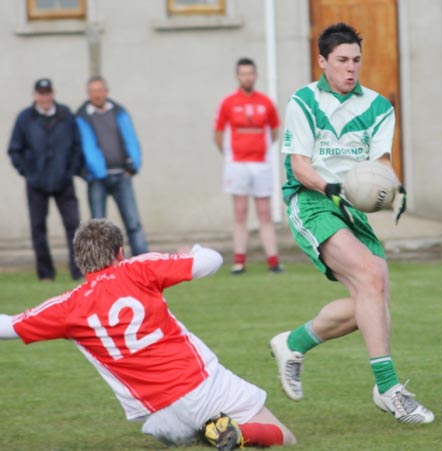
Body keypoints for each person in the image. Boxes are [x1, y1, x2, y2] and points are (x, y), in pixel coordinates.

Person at [0, 218, 296, 449]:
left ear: (79, 262)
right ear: (120, 252)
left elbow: (8, 326)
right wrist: (192, 252)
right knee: (284, 437)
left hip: (158, 412)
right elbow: (213, 260)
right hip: (202, 384)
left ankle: (198, 430)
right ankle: (237, 434)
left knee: (182, 427)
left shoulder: (68, 306)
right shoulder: (136, 269)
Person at [270, 22, 434, 424]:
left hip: (350, 209)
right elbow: (299, 166)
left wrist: (390, 188)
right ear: (323, 61)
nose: (350, 68)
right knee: (371, 280)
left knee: (374, 302)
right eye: (342, 60)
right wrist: (333, 188)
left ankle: (292, 343)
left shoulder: (379, 107)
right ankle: (389, 389)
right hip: (311, 200)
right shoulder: (303, 102)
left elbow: (378, 166)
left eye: (356, 61)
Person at [7, 78, 83, 281]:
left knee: (74, 227)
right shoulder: (25, 118)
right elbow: (15, 150)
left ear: (53, 94)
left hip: (64, 182)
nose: (45, 97)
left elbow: (77, 145)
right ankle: (46, 273)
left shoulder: (66, 114)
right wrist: (29, 173)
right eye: (41, 93)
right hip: (36, 184)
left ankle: (78, 271)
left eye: (48, 93)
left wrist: (70, 170)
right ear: (35, 96)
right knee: (38, 228)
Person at [214, 58, 283, 275]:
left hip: (261, 165)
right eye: (243, 74)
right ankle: (239, 261)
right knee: (240, 213)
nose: (247, 77)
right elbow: (218, 133)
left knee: (264, 213)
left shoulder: (266, 102)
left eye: (250, 73)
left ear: (256, 75)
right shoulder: (228, 102)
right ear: (237, 76)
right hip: (237, 165)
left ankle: (273, 261)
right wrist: (231, 154)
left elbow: (274, 131)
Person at [76, 75, 148, 256]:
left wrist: (134, 165)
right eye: (92, 91)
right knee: (98, 229)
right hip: (97, 178)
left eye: (99, 90)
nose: (96, 95)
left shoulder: (119, 111)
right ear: (88, 94)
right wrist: (88, 173)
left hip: (122, 175)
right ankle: (101, 265)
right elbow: (80, 148)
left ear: (106, 92)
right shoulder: (81, 116)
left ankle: (143, 262)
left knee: (133, 223)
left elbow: (131, 139)